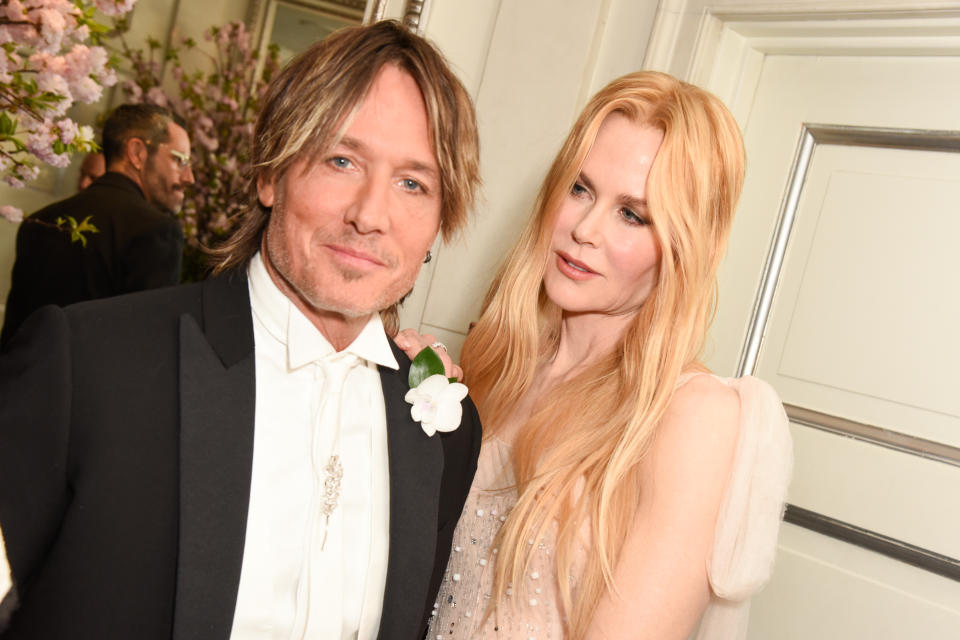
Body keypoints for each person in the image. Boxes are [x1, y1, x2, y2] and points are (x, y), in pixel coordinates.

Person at [0, 20, 482, 640]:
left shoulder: (442, 431)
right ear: (270, 174)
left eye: (413, 183)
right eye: (341, 160)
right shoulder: (88, 366)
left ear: (440, 222)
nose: (371, 216)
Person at [402, 71, 792, 639]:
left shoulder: (691, 417)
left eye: (632, 214)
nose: (583, 229)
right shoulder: (497, 362)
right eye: (580, 189)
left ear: (683, 248)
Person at [0, 104, 192, 347]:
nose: (189, 178)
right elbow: (145, 348)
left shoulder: (39, 222)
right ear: (137, 153)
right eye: (180, 160)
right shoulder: (156, 231)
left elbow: (13, 339)